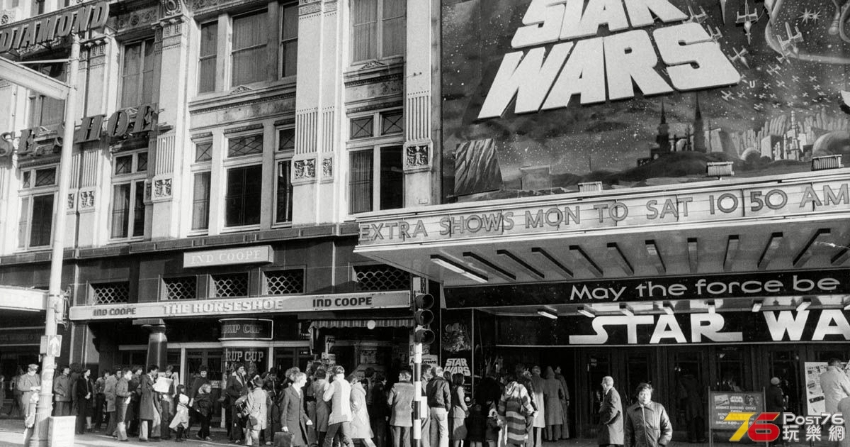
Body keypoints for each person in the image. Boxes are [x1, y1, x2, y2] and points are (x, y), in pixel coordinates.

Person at [498, 371, 536, 447]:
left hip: (508, 417)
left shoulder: (505, 389)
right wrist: (531, 411)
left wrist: (501, 418)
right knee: (518, 440)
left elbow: (501, 405)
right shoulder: (520, 387)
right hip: (518, 417)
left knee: (510, 439)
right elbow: (526, 401)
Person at [322, 365, 354, 447]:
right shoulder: (347, 383)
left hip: (336, 415)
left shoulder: (334, 384)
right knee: (347, 438)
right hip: (346, 414)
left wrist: (326, 389)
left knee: (329, 437)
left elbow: (325, 398)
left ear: (333, 374)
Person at [281, 371, 313, 447]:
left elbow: (301, 409)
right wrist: (284, 425)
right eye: (305, 379)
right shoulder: (287, 391)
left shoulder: (301, 391)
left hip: (300, 424)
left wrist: (307, 419)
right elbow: (283, 410)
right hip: (290, 425)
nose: (306, 381)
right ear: (299, 380)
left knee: (301, 444)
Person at [388, 369, 415, 447]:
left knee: (396, 436)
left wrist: (392, 407)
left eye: (399, 375)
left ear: (404, 376)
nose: (398, 376)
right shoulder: (413, 387)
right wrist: (411, 409)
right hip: (407, 414)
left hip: (396, 414)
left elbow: (389, 401)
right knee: (406, 436)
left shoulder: (395, 386)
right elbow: (414, 402)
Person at [677, 370, 705, 443]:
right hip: (698, 400)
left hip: (689, 401)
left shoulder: (681, 380)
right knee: (699, 419)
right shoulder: (695, 380)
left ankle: (693, 438)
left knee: (690, 420)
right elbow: (700, 389)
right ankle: (701, 438)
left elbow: (681, 394)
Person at [350, 374, 377, 447]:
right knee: (365, 439)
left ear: (352, 382)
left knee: (348, 438)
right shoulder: (359, 390)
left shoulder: (354, 390)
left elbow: (356, 404)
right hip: (362, 418)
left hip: (357, 418)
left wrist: (351, 412)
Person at [427, 366, 452, 447]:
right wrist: (448, 408)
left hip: (432, 408)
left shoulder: (429, 383)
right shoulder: (444, 382)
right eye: (442, 371)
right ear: (439, 372)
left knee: (433, 431)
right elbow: (447, 396)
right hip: (441, 408)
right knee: (443, 431)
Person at [227, 363, 249, 444]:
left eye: (243, 368)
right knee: (236, 419)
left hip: (242, 401)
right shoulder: (232, 378)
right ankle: (236, 437)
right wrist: (238, 394)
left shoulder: (243, 377)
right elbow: (228, 390)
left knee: (241, 419)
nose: (242, 370)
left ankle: (239, 436)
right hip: (235, 401)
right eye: (241, 368)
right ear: (237, 369)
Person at [541, 367, 565, 441]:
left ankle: (549, 437)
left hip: (549, 401)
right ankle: (556, 437)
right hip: (557, 401)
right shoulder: (557, 382)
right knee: (557, 420)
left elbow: (544, 392)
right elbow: (562, 392)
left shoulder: (545, 382)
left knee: (549, 420)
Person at [598, 376, 623, 447]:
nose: (602, 385)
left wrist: (605, 421)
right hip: (611, 427)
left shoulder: (612, 394)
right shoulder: (611, 393)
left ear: (605, 384)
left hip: (611, 427)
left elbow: (613, 411)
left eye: (602, 383)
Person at [139, 364, 161, 441]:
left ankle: (154, 435)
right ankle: (143, 436)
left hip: (152, 400)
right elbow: (143, 390)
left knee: (156, 416)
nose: (156, 372)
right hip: (147, 399)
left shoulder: (153, 378)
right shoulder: (145, 378)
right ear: (151, 370)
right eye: (156, 371)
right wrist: (153, 387)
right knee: (145, 418)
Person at [188, 365, 210, 438]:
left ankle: (203, 434)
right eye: (202, 372)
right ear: (200, 372)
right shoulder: (197, 380)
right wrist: (192, 399)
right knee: (193, 419)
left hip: (205, 402)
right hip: (198, 402)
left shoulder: (207, 380)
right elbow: (194, 390)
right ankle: (185, 431)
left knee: (206, 419)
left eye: (204, 372)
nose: (203, 373)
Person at [246, 375, 268, 446]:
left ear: (254, 385)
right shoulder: (265, 393)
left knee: (254, 438)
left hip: (254, 417)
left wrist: (242, 413)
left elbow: (249, 409)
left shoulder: (251, 394)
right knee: (257, 435)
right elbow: (268, 403)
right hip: (262, 418)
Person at [312, 368, 331, 447]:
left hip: (318, 405)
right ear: (325, 375)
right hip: (325, 406)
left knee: (319, 426)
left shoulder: (314, 383)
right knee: (324, 427)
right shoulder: (326, 383)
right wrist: (330, 406)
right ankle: (322, 444)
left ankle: (319, 443)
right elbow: (327, 397)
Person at [766, 377, 785, 447]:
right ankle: (779, 441)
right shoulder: (777, 391)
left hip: (769, 411)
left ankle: (771, 442)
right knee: (779, 426)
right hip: (777, 411)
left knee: (771, 426)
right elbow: (779, 402)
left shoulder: (767, 390)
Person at [529, 367, 545, 447]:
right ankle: (538, 444)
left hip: (530, 404)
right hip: (540, 404)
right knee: (539, 425)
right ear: (539, 372)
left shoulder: (529, 380)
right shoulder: (543, 381)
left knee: (531, 425)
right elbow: (546, 392)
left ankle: (530, 443)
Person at [450, 373, 469, 447]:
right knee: (458, 434)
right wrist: (467, 410)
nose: (464, 380)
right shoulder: (460, 389)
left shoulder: (453, 388)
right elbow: (461, 401)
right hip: (459, 413)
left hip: (454, 412)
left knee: (456, 434)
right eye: (463, 378)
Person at [116, 368, 133, 442]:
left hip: (123, 401)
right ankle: (122, 437)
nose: (131, 375)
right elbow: (118, 392)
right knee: (121, 418)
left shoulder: (124, 381)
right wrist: (128, 394)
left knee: (122, 418)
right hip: (122, 402)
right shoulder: (122, 381)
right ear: (125, 374)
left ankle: (120, 436)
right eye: (130, 374)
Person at [75, 367, 94, 434]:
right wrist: (86, 394)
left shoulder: (89, 380)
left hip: (88, 398)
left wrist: (89, 394)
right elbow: (80, 388)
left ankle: (86, 428)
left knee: (87, 412)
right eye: (88, 372)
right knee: (81, 413)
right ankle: (80, 429)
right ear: (84, 372)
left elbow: (91, 389)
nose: (89, 373)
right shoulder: (80, 379)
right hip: (82, 398)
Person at [553, 367, 569, 439]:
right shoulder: (561, 377)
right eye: (558, 368)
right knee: (564, 417)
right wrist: (567, 399)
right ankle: (565, 435)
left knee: (557, 418)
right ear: (555, 370)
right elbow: (564, 388)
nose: (560, 369)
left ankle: (557, 435)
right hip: (562, 400)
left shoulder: (549, 377)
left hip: (554, 400)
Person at [105, 368, 119, 437]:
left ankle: (109, 431)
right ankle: (114, 432)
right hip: (112, 400)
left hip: (117, 401)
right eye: (119, 373)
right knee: (113, 417)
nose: (120, 374)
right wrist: (112, 397)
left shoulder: (120, 379)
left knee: (113, 417)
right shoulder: (110, 379)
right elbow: (106, 391)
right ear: (115, 373)